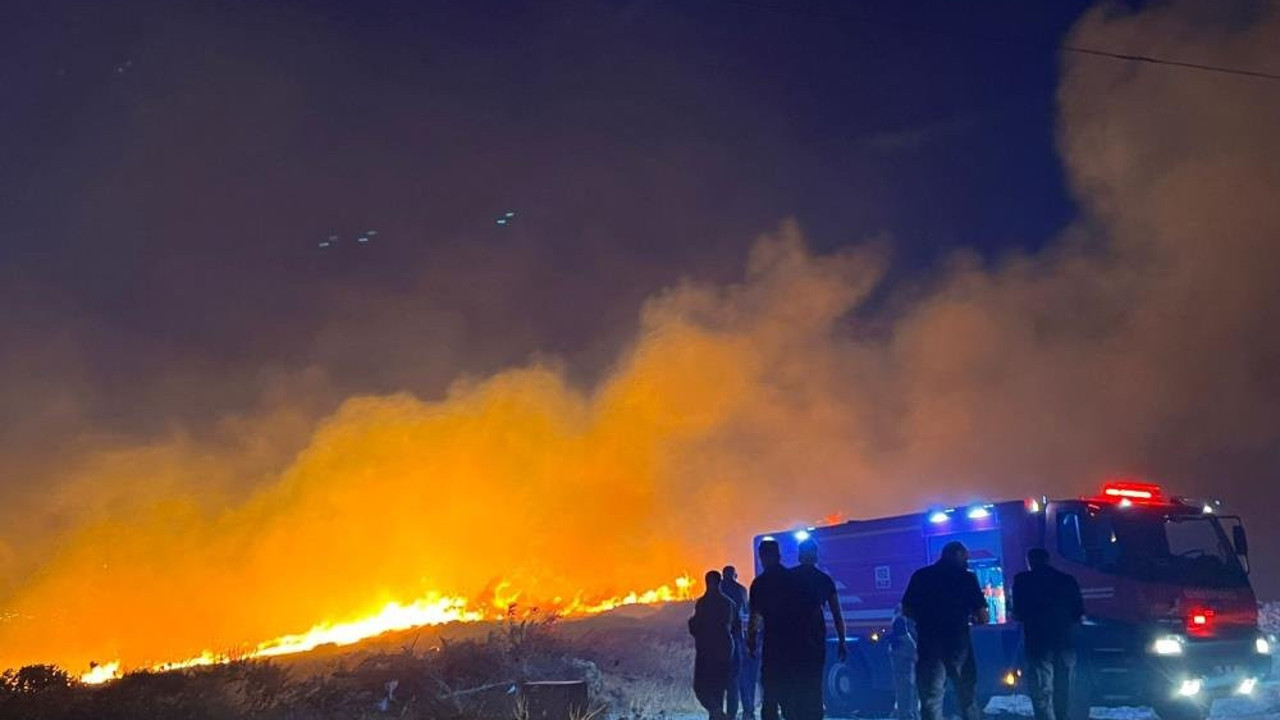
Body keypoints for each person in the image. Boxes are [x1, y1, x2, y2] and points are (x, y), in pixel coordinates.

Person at [901, 541, 989, 720]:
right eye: (965, 557)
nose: (967, 562)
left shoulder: (921, 576)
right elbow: (983, 616)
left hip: (929, 645)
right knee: (967, 698)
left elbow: (907, 610)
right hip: (959, 645)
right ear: (956, 554)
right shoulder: (966, 578)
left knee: (931, 700)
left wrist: (924, 619)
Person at [1011, 548, 1085, 720]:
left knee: (1042, 689)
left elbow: (1018, 613)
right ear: (1048, 559)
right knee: (1064, 687)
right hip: (1065, 642)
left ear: (1029, 561)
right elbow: (1078, 613)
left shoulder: (1022, 581)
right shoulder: (1067, 580)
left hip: (1038, 643)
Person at [787, 538, 847, 720]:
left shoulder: (788, 578)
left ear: (799, 555)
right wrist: (842, 641)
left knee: (794, 686)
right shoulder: (824, 580)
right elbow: (837, 614)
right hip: (815, 641)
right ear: (815, 556)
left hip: (792, 642)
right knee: (814, 686)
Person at [747, 538, 795, 720]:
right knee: (790, 700)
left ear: (763, 557)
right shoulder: (792, 580)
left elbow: (754, 617)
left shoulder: (760, 584)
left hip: (772, 648)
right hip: (793, 646)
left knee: (770, 700)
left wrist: (751, 642)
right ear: (779, 556)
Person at [690, 570, 736, 720]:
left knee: (701, 687)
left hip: (707, 651)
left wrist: (692, 624)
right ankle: (718, 714)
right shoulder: (728, 603)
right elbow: (736, 627)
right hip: (724, 650)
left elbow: (696, 626)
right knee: (718, 689)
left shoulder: (703, 603)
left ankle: (717, 713)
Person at [722, 565, 756, 720]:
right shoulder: (741, 590)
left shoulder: (717, 590)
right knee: (741, 677)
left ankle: (723, 713)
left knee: (722, 679)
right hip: (737, 638)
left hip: (719, 640)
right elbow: (746, 613)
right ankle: (748, 711)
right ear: (735, 575)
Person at [887, 603, 920, 720]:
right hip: (903, 657)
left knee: (907, 690)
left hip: (901, 656)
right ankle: (907, 715)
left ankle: (907, 714)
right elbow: (903, 637)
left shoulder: (900, 615)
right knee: (906, 690)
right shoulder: (901, 618)